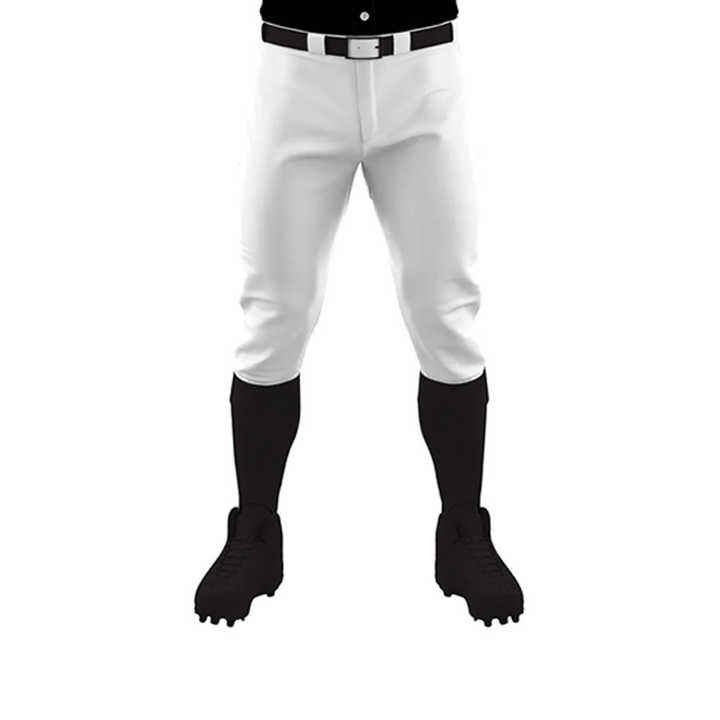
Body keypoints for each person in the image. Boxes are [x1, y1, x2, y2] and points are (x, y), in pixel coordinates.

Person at [194, 1, 523, 627]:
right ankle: (254, 531)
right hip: (298, 68)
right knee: (276, 311)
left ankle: (463, 532)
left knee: (444, 307)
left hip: (420, 68)